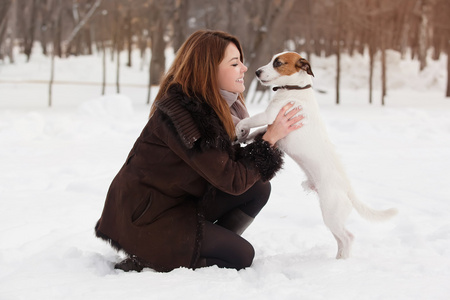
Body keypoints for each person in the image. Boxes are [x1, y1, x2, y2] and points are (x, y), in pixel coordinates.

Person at [95, 30, 304, 272]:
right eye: (234, 63)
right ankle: (156, 257)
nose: (244, 68)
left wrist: (267, 139)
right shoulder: (185, 117)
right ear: (208, 69)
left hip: (180, 203)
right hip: (146, 219)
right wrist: (268, 141)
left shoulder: (222, 107)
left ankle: (205, 242)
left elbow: (229, 165)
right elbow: (231, 179)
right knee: (241, 256)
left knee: (258, 188)